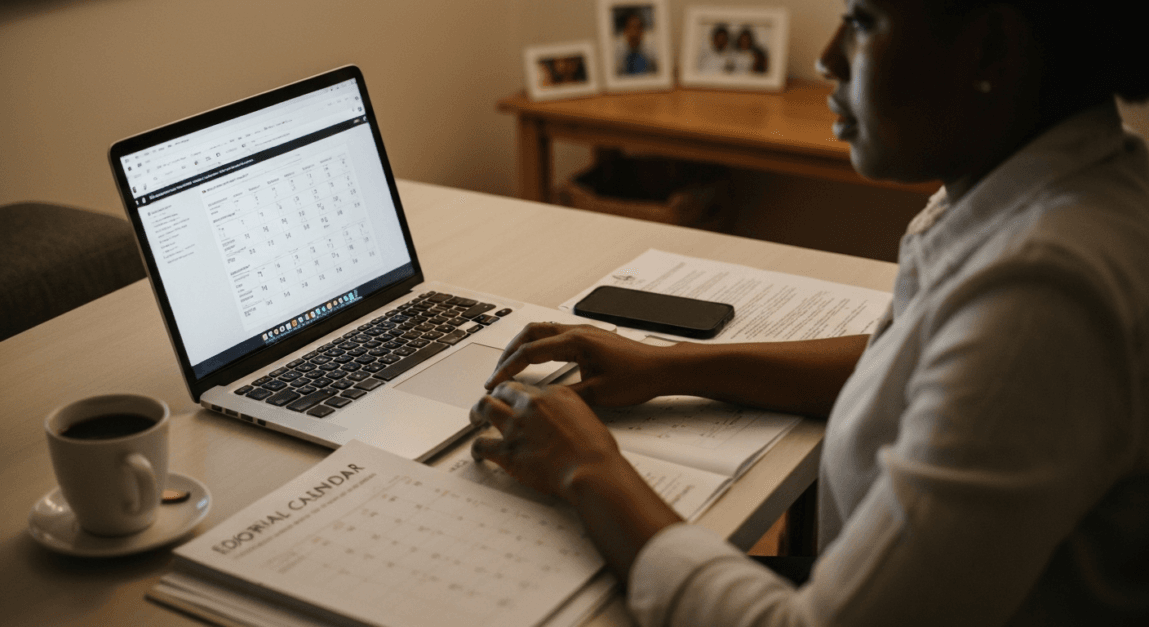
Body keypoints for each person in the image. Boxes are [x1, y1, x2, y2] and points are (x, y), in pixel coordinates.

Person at [471, 0, 1149, 625]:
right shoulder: (1074, 182)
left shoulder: (1042, 297)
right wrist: (668, 365)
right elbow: (917, 359)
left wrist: (586, 468)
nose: (827, 57)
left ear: (991, 48)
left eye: (859, 20)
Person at [615, 9, 657, 75]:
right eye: (631, 27)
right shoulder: (618, 54)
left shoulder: (652, 52)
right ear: (625, 31)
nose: (634, 33)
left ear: (642, 31)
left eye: (638, 28)